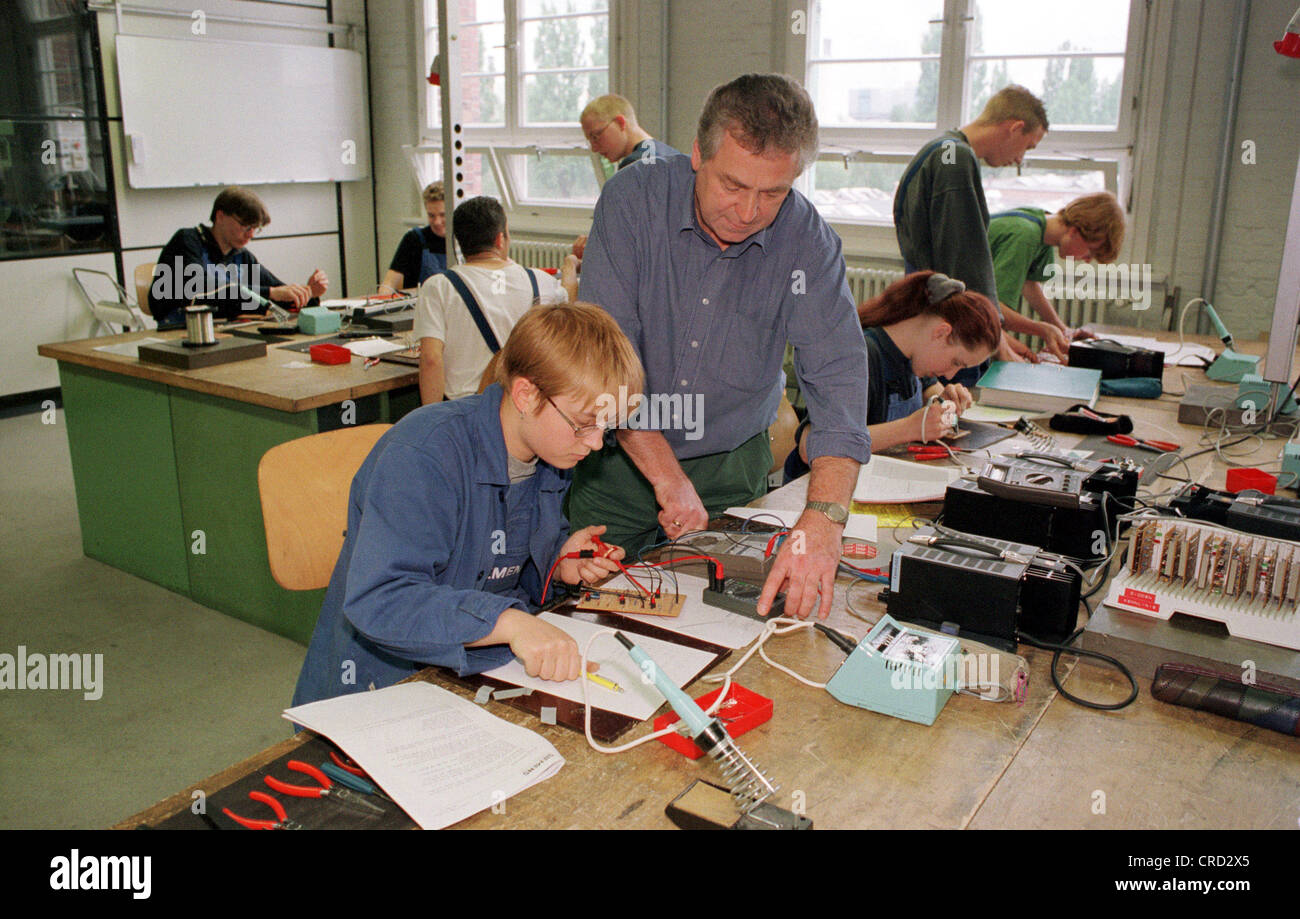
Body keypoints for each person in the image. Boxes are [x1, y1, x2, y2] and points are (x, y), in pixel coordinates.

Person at [569, 73, 870, 621]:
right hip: (613, 462)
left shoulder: (807, 241)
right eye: (732, 185)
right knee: (592, 620)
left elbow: (839, 381)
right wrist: (667, 478)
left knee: (728, 629)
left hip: (731, 471)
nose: (750, 211)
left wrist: (824, 518)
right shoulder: (632, 202)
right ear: (696, 155)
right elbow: (608, 362)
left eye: (773, 192)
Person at [291, 302, 645, 708]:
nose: (597, 443)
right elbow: (381, 600)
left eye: (607, 426)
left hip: (476, 673)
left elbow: (502, 567)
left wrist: (559, 564)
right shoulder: (424, 454)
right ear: (527, 395)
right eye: (585, 424)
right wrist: (507, 622)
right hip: (381, 687)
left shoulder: (552, 456)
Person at [893, 84, 1048, 383]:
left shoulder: (941, 149)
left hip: (933, 322)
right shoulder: (954, 158)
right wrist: (994, 340)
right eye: (1027, 147)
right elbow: (964, 261)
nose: (1019, 160)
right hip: (953, 333)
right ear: (1015, 128)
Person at [784, 272, 1001, 481]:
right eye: (956, 362)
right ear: (941, 332)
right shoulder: (859, 357)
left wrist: (944, 401)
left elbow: (930, 390)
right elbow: (809, 445)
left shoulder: (912, 356)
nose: (951, 374)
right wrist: (910, 428)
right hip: (815, 491)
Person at [413, 196, 577, 404]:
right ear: (500, 239)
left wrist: (432, 420)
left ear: (460, 243)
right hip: (528, 408)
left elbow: (430, 359)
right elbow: (570, 299)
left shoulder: (438, 286)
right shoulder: (540, 281)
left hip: (468, 411)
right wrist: (570, 263)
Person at [147, 186, 328, 326]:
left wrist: (309, 293)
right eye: (246, 226)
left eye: (255, 229)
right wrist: (272, 293)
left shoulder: (241, 256)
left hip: (223, 330)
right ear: (220, 216)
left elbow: (278, 296)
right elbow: (202, 287)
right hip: (179, 331)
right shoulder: (187, 241)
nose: (250, 235)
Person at [989, 192, 1126, 356]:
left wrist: (1062, 329)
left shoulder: (1040, 226)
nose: (1088, 260)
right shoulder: (1024, 236)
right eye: (1090, 252)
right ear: (1075, 232)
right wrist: (1042, 329)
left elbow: (1029, 283)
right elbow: (994, 311)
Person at [580, 94, 681, 172]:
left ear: (620, 122)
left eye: (595, 136)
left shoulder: (636, 165)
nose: (594, 148)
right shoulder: (673, 156)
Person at [382, 181, 447, 292]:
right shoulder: (414, 239)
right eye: (431, 216)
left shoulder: (464, 240)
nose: (437, 222)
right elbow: (389, 284)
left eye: (442, 215)